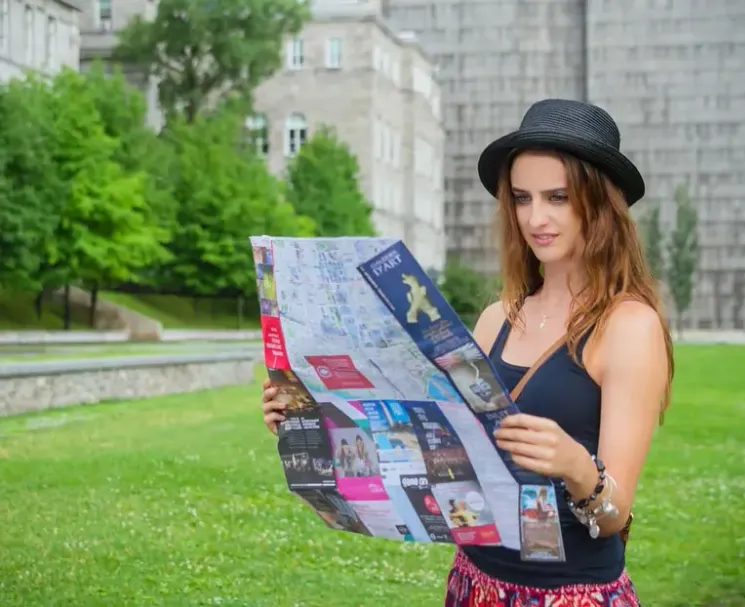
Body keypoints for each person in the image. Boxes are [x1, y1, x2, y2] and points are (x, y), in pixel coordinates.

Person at [260, 98, 674, 606]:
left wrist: (576, 466)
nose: (536, 218)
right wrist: (309, 419)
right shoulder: (496, 318)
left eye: (558, 197)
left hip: (570, 595)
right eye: (521, 198)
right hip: (474, 585)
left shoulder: (629, 326)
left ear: (601, 204)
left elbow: (615, 515)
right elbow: (435, 453)